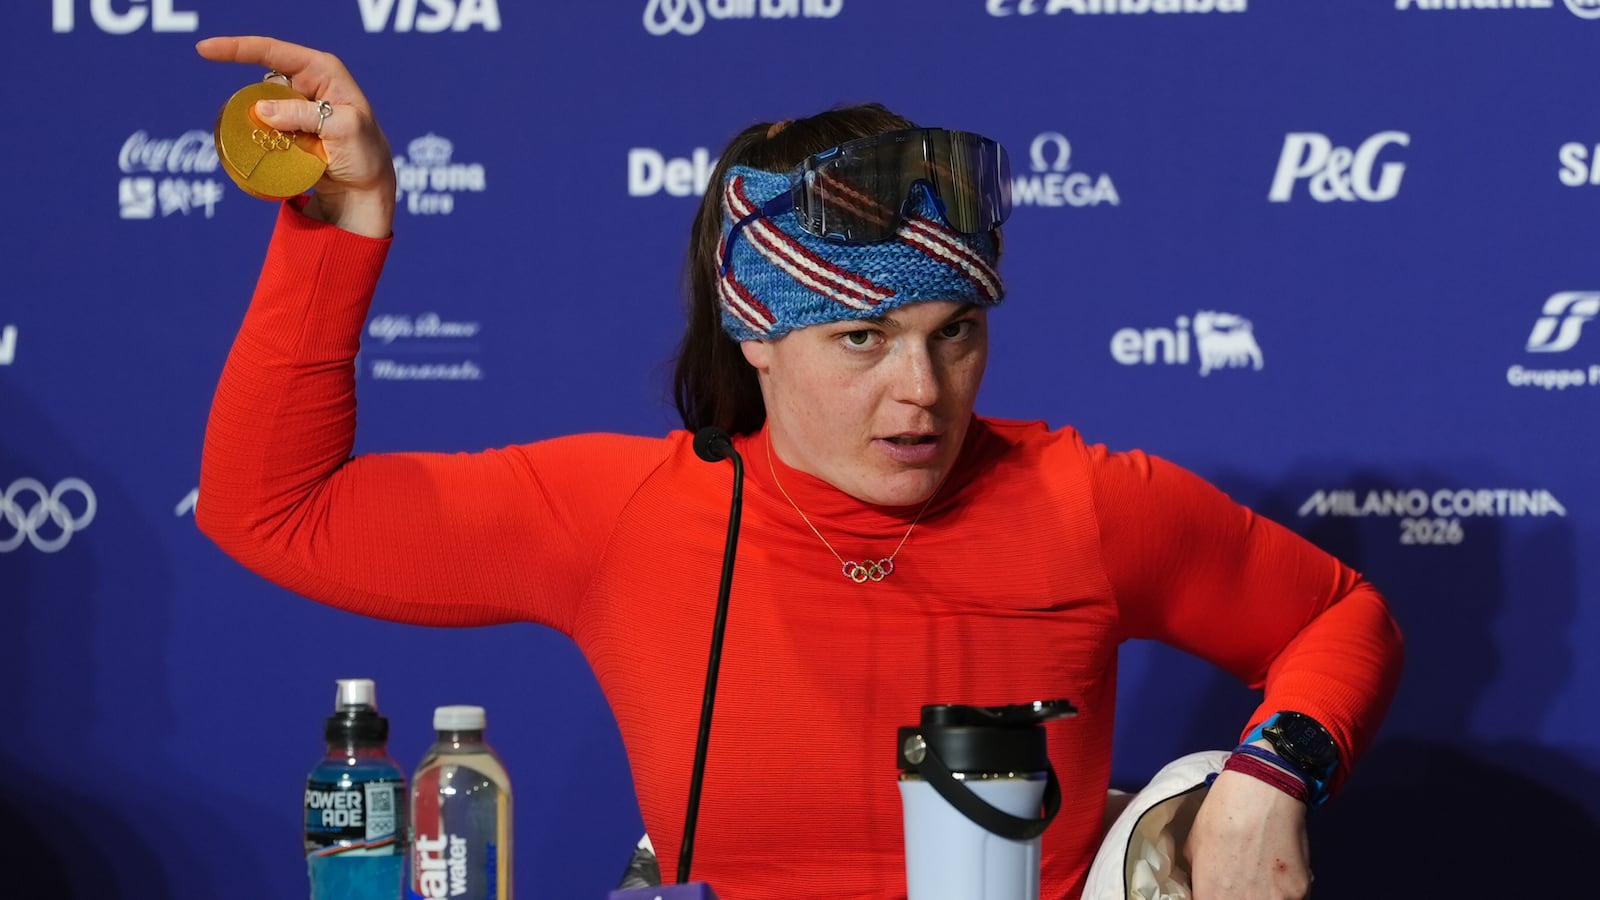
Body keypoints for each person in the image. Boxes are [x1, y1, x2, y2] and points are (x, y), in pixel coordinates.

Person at [194, 35, 1403, 900]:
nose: (920, 393)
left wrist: (1269, 771)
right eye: (862, 340)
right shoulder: (627, 514)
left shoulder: (1081, 501)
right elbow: (271, 511)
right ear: (755, 334)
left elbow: (1339, 618)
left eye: (955, 335)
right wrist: (334, 226)